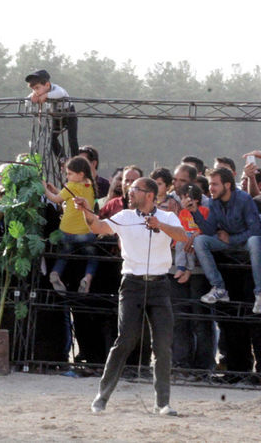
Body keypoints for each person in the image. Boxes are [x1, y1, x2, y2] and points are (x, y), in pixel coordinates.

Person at [74, 177, 187, 416]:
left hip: (160, 285)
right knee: (125, 340)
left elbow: (183, 236)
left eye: (135, 189)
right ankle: (101, 397)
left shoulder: (167, 217)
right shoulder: (124, 216)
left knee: (163, 345)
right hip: (132, 284)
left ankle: (162, 403)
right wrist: (86, 211)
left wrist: (159, 225)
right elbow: (98, 227)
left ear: (149, 194)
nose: (129, 192)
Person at [186, 168, 261, 313]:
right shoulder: (214, 202)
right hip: (227, 243)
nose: (210, 188)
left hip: (245, 244)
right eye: (209, 184)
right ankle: (219, 288)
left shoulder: (244, 199)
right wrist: (195, 212)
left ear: (227, 185)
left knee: (255, 241)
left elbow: (255, 230)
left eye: (215, 184)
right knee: (201, 240)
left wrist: (231, 239)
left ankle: (259, 294)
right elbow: (209, 230)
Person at [43, 156, 98, 293]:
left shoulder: (71, 186)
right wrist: (56, 190)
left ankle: (55, 273)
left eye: (69, 174)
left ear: (80, 174)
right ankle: (88, 278)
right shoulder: (89, 185)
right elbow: (66, 196)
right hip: (85, 232)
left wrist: (44, 188)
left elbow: (56, 199)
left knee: (64, 255)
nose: (67, 177)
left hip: (67, 232)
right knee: (93, 257)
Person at [25, 69, 78, 158]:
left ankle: (76, 159)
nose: (36, 91)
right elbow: (26, 101)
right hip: (55, 116)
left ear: (47, 85)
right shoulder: (37, 93)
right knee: (51, 138)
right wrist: (32, 100)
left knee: (72, 138)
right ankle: (62, 159)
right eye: (33, 89)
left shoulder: (57, 89)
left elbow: (60, 93)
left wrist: (46, 96)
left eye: (37, 88)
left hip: (69, 113)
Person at [174, 184, 208, 284]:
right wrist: (176, 240)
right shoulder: (183, 212)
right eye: (181, 198)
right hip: (186, 235)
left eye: (185, 198)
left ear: (196, 199)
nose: (182, 201)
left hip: (197, 235)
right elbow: (180, 227)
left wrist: (197, 234)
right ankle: (180, 267)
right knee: (181, 244)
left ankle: (189, 269)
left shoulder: (204, 210)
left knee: (191, 248)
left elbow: (206, 227)